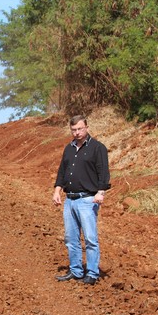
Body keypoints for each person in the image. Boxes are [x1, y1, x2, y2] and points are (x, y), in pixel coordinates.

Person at [53, 115, 111, 285]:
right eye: (73, 130)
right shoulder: (68, 148)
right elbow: (62, 172)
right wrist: (57, 190)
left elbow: (104, 173)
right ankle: (76, 270)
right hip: (70, 200)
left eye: (79, 129)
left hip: (87, 200)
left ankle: (92, 273)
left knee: (90, 238)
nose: (77, 133)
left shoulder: (97, 148)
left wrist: (101, 192)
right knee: (71, 239)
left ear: (86, 127)